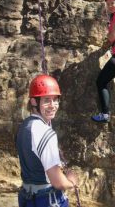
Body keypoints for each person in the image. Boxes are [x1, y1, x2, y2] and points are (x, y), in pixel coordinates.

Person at [16, 74, 78, 207]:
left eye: (55, 100)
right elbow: (58, 182)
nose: (53, 105)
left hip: (27, 198)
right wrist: (72, 182)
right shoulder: (45, 132)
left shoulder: (23, 127)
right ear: (34, 102)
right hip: (46, 199)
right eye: (46, 100)